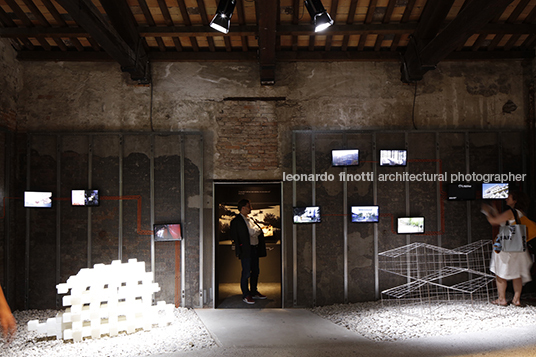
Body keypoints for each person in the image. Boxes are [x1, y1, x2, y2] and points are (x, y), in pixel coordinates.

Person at [482, 191, 533, 306]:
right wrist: (495, 210)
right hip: (518, 246)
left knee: (500, 273)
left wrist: (486, 211)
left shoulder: (510, 212)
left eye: (509, 197)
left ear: (515, 200)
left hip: (505, 247)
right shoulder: (520, 213)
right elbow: (504, 222)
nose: (506, 198)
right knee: (517, 274)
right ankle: (517, 299)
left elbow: (493, 221)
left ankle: (501, 299)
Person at [230, 199, 267, 304]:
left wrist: (255, 231)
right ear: (243, 208)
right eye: (249, 206)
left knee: (255, 271)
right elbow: (252, 231)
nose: (251, 208)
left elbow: (258, 230)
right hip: (245, 250)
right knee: (246, 273)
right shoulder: (236, 221)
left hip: (254, 248)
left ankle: (254, 292)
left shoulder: (251, 219)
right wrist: (255, 231)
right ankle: (246, 295)